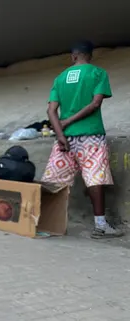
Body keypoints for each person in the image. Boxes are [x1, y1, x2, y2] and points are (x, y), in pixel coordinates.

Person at [41, 40, 123, 239]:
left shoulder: (60, 78)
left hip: (64, 140)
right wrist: (69, 120)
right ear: (89, 56)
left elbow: (51, 110)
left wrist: (61, 134)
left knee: (53, 181)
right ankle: (100, 226)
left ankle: (43, 223)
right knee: (95, 178)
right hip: (91, 137)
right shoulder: (98, 73)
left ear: (73, 56)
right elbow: (95, 103)